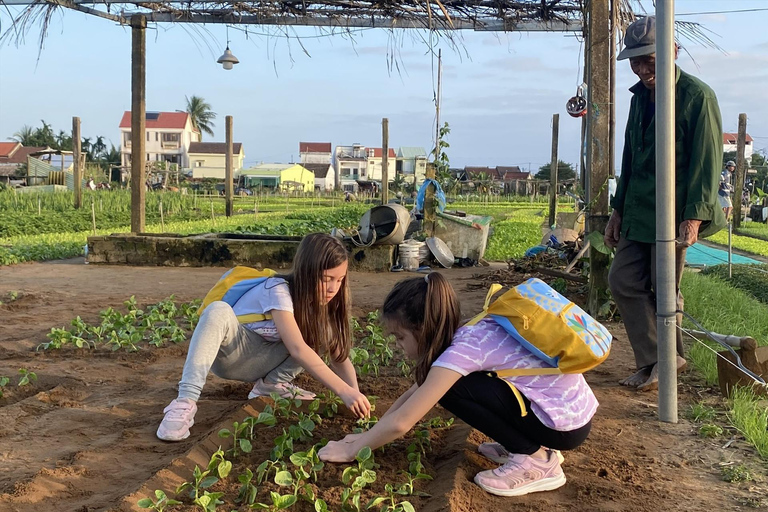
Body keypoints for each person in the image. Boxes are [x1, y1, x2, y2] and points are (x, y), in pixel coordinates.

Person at [319, 274, 596, 498]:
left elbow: (403, 422)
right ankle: (524, 446)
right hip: (568, 413)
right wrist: (368, 436)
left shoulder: (460, 353)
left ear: (423, 328)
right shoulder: (470, 330)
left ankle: (535, 459)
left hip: (562, 427)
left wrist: (351, 451)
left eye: (400, 337)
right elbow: (414, 392)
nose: (399, 346)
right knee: (449, 385)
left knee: (452, 391)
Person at [604, 16, 725, 391]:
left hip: (673, 213)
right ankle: (661, 359)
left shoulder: (696, 97)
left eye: (650, 60)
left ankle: (664, 364)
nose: (643, 69)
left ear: (672, 51)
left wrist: (693, 218)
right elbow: (630, 156)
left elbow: (707, 163)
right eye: (636, 62)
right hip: (639, 209)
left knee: (663, 289)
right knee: (622, 280)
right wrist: (617, 209)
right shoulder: (640, 99)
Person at [156, 233, 371, 441]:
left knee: (323, 330)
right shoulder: (277, 289)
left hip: (265, 361)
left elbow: (339, 356)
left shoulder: (320, 306)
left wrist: (356, 394)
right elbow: (297, 348)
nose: (333, 288)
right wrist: (343, 391)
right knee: (217, 310)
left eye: (340, 280)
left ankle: (272, 385)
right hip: (233, 355)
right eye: (326, 279)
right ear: (306, 272)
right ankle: (184, 402)